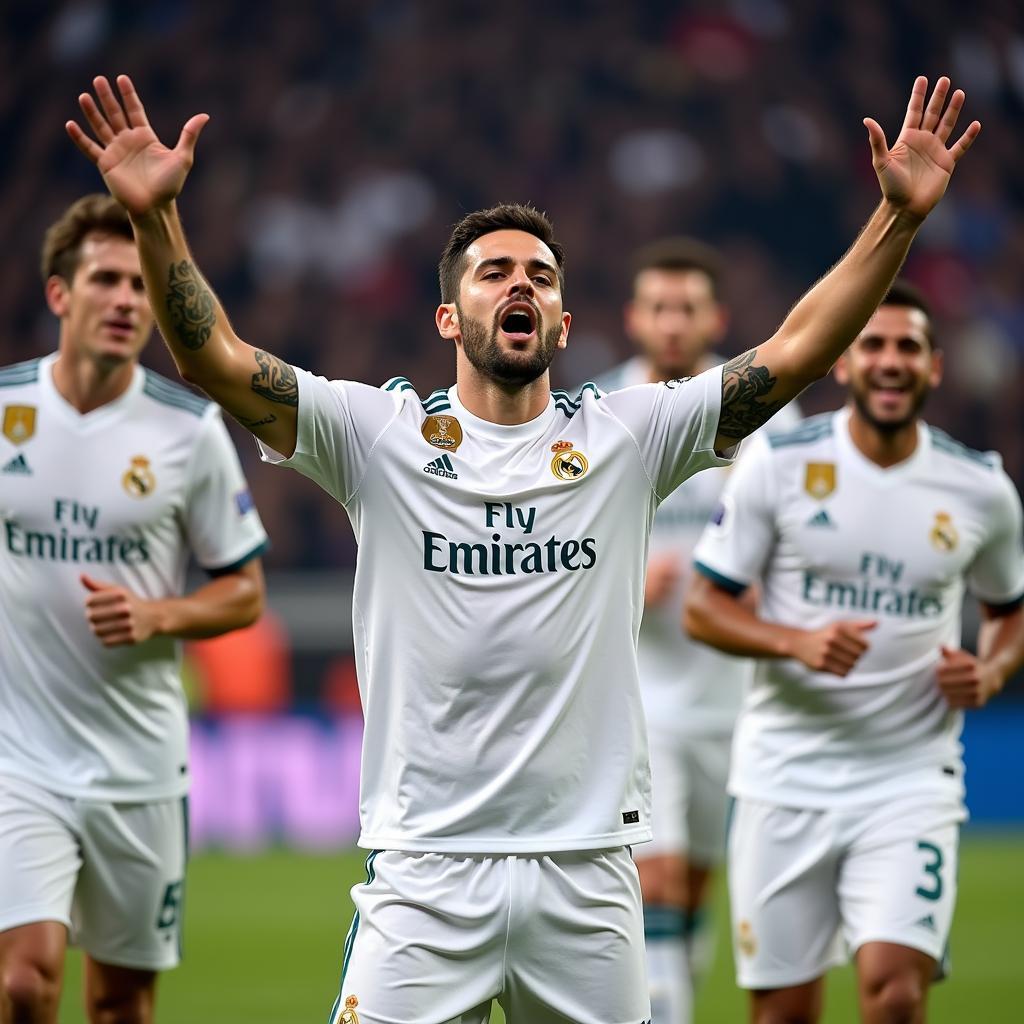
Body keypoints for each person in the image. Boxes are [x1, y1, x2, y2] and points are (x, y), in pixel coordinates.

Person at [67, 72, 978, 1024]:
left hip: (585, 880)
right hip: (426, 876)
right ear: (449, 319)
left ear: (564, 323)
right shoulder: (375, 436)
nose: (521, 286)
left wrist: (896, 220)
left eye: (541, 277)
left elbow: (794, 353)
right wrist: (157, 219)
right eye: (495, 273)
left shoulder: (631, 437)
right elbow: (211, 357)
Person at [685, 280, 1024, 1024]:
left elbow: (1009, 612)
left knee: (895, 994)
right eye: (873, 344)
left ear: (935, 367)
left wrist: (992, 669)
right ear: (843, 362)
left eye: (909, 347)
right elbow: (703, 606)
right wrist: (792, 640)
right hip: (784, 776)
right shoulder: (778, 464)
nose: (891, 361)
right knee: (783, 1014)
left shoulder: (981, 488)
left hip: (909, 780)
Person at [0, 194, 268, 1024]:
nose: (126, 301)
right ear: (60, 295)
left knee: (120, 1004)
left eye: (141, 286)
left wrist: (161, 616)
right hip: (19, 756)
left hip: (140, 764)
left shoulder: (188, 431)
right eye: (107, 281)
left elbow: (245, 588)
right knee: (24, 980)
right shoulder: (5, 410)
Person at [591, 239, 800, 1023]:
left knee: (697, 889)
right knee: (660, 880)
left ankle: (671, 991)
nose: (673, 324)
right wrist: (622, 581)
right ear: (634, 317)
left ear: (716, 317)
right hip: (643, 697)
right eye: (658, 308)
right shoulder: (602, 415)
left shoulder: (767, 418)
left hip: (738, 695)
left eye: (688, 309)